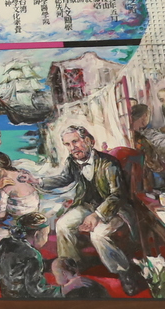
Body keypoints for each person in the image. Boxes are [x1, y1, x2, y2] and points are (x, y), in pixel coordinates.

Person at [42, 124, 145, 297]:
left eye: (75, 141)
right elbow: (63, 179)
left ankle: (125, 273)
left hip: (115, 209)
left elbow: (118, 195)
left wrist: (97, 215)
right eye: (67, 144)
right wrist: (37, 182)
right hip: (88, 206)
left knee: (98, 234)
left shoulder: (108, 163)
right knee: (62, 225)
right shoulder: (72, 162)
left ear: (89, 141)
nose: (72, 148)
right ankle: (71, 266)